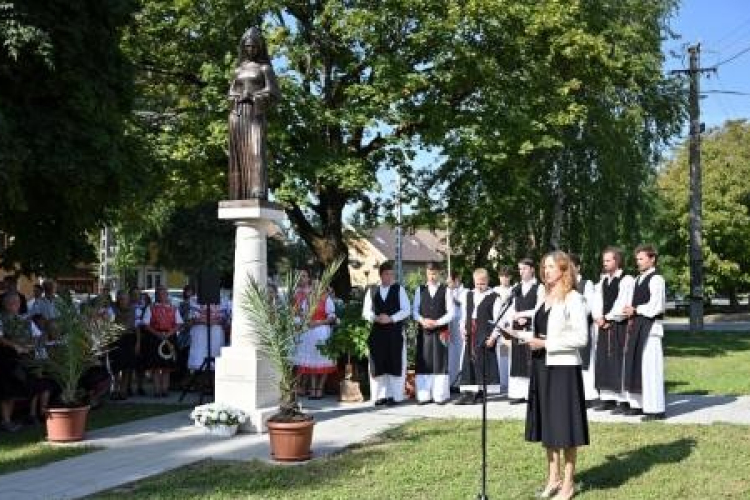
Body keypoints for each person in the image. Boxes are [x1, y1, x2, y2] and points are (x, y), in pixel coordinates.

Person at [518, 251, 589, 500]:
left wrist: (546, 344)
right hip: (541, 367)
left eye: (550, 267)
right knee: (548, 424)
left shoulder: (574, 298)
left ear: (563, 270)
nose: (545, 271)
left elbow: (581, 338)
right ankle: (553, 478)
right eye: (544, 267)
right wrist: (521, 337)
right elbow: (539, 331)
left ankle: (568, 484)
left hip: (563, 369)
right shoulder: (543, 297)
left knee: (565, 426)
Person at [228, 26, 281, 200]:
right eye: (248, 46)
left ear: (260, 47)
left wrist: (253, 95)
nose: (251, 49)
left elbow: (274, 94)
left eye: (254, 46)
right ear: (243, 47)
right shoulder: (237, 71)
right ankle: (238, 190)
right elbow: (230, 94)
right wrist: (237, 96)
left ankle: (257, 189)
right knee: (238, 152)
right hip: (238, 115)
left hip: (255, 114)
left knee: (256, 150)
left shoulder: (265, 69)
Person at [622, 245, 667, 421]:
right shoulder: (638, 279)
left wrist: (637, 309)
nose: (638, 262)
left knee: (651, 367)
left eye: (641, 259)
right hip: (637, 326)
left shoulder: (657, 279)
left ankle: (656, 409)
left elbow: (657, 306)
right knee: (638, 366)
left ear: (652, 259)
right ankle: (640, 404)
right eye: (637, 259)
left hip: (650, 328)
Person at [591, 247, 636, 414]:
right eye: (604, 261)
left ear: (617, 261)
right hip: (603, 325)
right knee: (603, 361)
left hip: (619, 326)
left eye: (608, 260)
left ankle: (623, 401)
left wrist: (608, 317)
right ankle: (607, 398)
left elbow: (623, 303)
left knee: (618, 361)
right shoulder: (603, 281)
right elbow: (597, 301)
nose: (605, 263)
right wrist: (598, 317)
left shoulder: (626, 279)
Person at [362, 261, 411, 406]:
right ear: (381, 275)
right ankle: (380, 396)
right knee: (378, 364)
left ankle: (395, 396)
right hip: (378, 332)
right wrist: (376, 318)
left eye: (391, 274)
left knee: (394, 363)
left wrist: (391, 318)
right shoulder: (372, 290)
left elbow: (406, 309)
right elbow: (366, 311)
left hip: (394, 332)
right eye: (387, 274)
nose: (390, 277)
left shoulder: (398, 289)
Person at [455, 268, 504, 405]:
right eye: (477, 283)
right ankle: (469, 392)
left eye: (482, 283)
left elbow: (499, 320)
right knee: (469, 361)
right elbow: (464, 316)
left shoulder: (494, 297)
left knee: (484, 362)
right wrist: (462, 329)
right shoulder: (468, 295)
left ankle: (481, 392)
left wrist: (493, 337)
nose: (480, 286)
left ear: (487, 281)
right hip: (471, 332)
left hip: (484, 332)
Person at [412, 262, 454, 404]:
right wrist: (423, 321)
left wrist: (437, 322)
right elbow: (415, 311)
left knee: (440, 362)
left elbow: (451, 313)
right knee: (425, 362)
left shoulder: (446, 290)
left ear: (439, 274)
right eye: (430, 273)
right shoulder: (420, 290)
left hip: (440, 331)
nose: (432, 276)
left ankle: (440, 395)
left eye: (434, 273)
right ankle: (424, 395)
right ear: (426, 273)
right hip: (424, 332)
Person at [292, 270, 338, 399]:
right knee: (312, 362)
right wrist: (307, 322)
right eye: (315, 285)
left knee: (323, 361)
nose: (317, 288)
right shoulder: (308, 299)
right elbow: (303, 315)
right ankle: (312, 389)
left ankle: (320, 388)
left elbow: (332, 316)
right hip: (310, 333)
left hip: (322, 331)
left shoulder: (326, 298)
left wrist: (320, 322)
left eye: (319, 285)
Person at [506, 258, 545, 404]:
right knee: (518, 359)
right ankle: (518, 393)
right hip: (518, 327)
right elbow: (510, 307)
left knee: (529, 359)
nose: (521, 272)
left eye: (524, 269)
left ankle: (532, 394)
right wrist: (515, 317)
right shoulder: (516, 288)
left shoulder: (539, 287)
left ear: (532, 269)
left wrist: (523, 315)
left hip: (531, 327)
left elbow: (539, 308)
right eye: (520, 269)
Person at [142, 286, 183, 397]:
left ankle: (165, 390)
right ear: (156, 295)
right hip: (155, 337)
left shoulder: (174, 308)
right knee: (156, 366)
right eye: (159, 294)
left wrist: (169, 334)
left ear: (167, 295)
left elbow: (179, 323)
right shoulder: (150, 308)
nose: (162, 296)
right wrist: (158, 334)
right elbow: (146, 324)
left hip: (170, 337)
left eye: (164, 294)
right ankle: (157, 390)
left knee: (167, 366)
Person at [570, 254, 598, 406]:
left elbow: (589, 306)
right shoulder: (565, 285)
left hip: (583, 327)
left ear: (578, 267)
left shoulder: (587, 284)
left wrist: (575, 316)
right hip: (567, 330)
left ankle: (587, 395)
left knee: (585, 361)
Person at [109, 290, 139, 400]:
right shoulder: (112, 309)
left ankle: (123, 390)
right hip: (116, 339)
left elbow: (136, 327)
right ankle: (115, 389)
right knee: (116, 367)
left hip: (129, 339)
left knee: (127, 367)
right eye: (121, 299)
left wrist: (138, 343)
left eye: (125, 299)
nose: (123, 301)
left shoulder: (133, 310)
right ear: (117, 300)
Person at [493, 265, 515, 396]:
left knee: (508, 355)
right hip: (498, 327)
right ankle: (501, 383)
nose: (504, 279)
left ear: (510, 277)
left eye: (506, 276)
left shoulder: (514, 291)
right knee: (500, 356)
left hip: (510, 327)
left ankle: (509, 383)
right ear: (499, 277)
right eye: (502, 276)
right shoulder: (494, 291)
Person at [446, 270, 466, 393]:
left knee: (460, 354)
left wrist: (455, 301)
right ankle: (451, 381)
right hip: (450, 326)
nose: (448, 284)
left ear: (456, 280)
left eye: (450, 281)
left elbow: (463, 306)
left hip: (460, 326)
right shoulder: (448, 291)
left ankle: (460, 382)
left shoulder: (466, 292)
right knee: (451, 355)